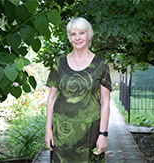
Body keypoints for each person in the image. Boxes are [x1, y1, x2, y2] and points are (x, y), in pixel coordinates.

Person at [45, 17, 112, 163]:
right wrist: (48, 130)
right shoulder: (59, 63)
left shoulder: (101, 64)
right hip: (61, 132)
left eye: (81, 33)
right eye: (73, 34)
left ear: (89, 35)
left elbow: (105, 102)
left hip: (90, 132)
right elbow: (51, 97)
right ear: (69, 37)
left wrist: (103, 134)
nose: (77, 38)